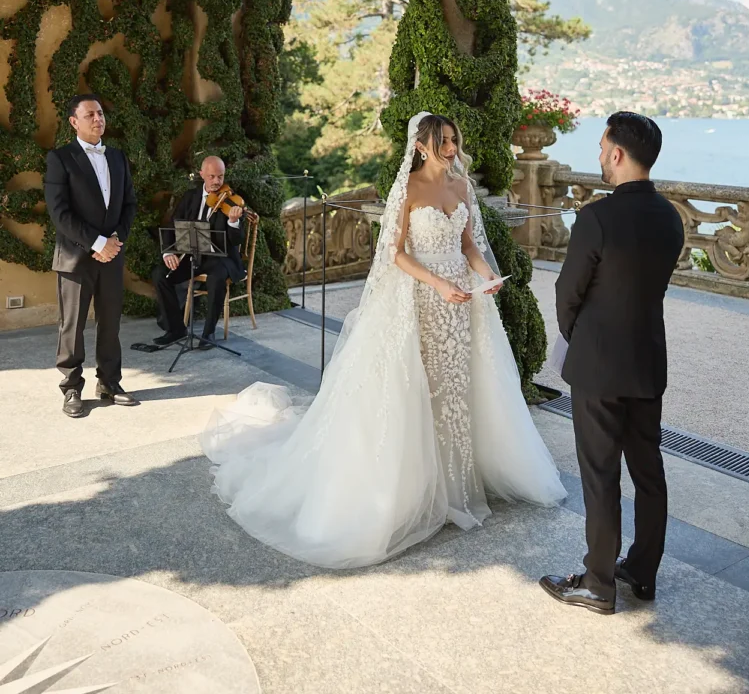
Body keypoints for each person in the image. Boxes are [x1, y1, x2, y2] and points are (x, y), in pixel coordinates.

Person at [200, 111, 565, 569]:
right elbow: (393, 254)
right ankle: (417, 489)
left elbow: (470, 245)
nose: (451, 148)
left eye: (453, 140)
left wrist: (488, 275)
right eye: (442, 141)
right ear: (420, 145)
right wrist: (435, 283)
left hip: (462, 301)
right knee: (421, 387)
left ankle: (456, 482)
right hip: (422, 298)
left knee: (457, 387)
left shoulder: (461, 186)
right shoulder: (408, 190)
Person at [540, 112, 684, 615]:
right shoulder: (671, 217)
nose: (600, 156)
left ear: (618, 154)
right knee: (649, 471)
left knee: (600, 473)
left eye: (603, 147)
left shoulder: (597, 217)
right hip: (648, 360)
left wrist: (579, 339)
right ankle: (642, 573)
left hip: (599, 365)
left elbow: (567, 295)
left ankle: (599, 582)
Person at [44, 94, 138, 417]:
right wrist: (97, 242)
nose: (98, 119)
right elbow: (60, 213)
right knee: (73, 326)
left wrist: (115, 240)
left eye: (100, 113)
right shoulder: (60, 159)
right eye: (90, 115)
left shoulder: (118, 157)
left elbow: (129, 205)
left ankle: (110, 383)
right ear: (74, 122)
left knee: (110, 323)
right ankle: (71, 389)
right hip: (75, 258)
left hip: (111, 257)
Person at [152, 156, 245, 348]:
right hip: (192, 255)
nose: (217, 182)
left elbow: (236, 241)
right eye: (212, 176)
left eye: (220, 176)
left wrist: (234, 222)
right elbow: (173, 225)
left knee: (216, 278)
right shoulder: (190, 197)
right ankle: (176, 329)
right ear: (202, 174)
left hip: (220, 258)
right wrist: (168, 252)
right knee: (160, 275)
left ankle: (208, 333)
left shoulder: (230, 201)